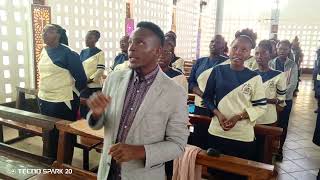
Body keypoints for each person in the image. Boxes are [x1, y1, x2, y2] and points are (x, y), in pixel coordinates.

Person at [86, 21, 189, 180]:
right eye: (131, 42)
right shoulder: (114, 79)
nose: (131, 48)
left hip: (142, 175)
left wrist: (139, 151)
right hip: (107, 172)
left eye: (140, 43)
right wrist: (97, 114)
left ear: (158, 51)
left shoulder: (174, 93)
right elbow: (101, 124)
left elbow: (177, 144)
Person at [203, 29, 266, 180]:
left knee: (237, 174)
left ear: (249, 54)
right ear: (229, 49)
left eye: (244, 50)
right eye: (235, 48)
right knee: (215, 173)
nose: (238, 52)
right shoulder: (218, 71)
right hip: (218, 131)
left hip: (242, 135)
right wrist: (218, 114)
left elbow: (260, 106)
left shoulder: (254, 77)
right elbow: (207, 98)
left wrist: (238, 116)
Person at [37, 24, 87, 161]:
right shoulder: (44, 50)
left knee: (63, 134)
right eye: (43, 31)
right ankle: (49, 160)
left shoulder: (69, 53)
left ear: (58, 34)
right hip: (44, 98)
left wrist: (73, 92)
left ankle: (64, 164)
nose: (44, 34)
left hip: (62, 101)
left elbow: (82, 79)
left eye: (49, 31)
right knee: (48, 132)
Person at [188, 34, 228, 150]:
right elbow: (191, 83)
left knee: (215, 140)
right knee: (198, 136)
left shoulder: (227, 63)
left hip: (218, 108)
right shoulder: (200, 62)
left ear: (223, 46)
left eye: (218, 42)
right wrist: (204, 96)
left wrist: (211, 99)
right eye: (212, 41)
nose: (214, 44)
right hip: (200, 105)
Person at [254, 40, 287, 161]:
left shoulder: (278, 75)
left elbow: (281, 102)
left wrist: (265, 100)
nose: (259, 56)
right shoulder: (251, 74)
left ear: (270, 54)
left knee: (265, 152)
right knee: (252, 149)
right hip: (253, 117)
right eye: (257, 53)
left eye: (263, 53)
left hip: (269, 117)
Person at [269, 40, 299, 161]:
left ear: (289, 50)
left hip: (286, 99)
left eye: (285, 49)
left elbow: (292, 84)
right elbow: (269, 80)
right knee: (271, 123)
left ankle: (280, 149)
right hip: (272, 99)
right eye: (280, 49)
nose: (282, 51)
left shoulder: (292, 65)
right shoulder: (271, 62)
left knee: (283, 124)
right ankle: (270, 148)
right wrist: (273, 96)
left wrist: (280, 96)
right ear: (277, 49)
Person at [79, 30, 105, 118]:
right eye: (86, 37)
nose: (86, 40)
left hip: (94, 87)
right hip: (83, 87)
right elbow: (79, 68)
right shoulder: (83, 52)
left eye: (89, 38)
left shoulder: (100, 53)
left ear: (96, 40)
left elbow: (100, 70)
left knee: (92, 111)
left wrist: (89, 80)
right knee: (83, 110)